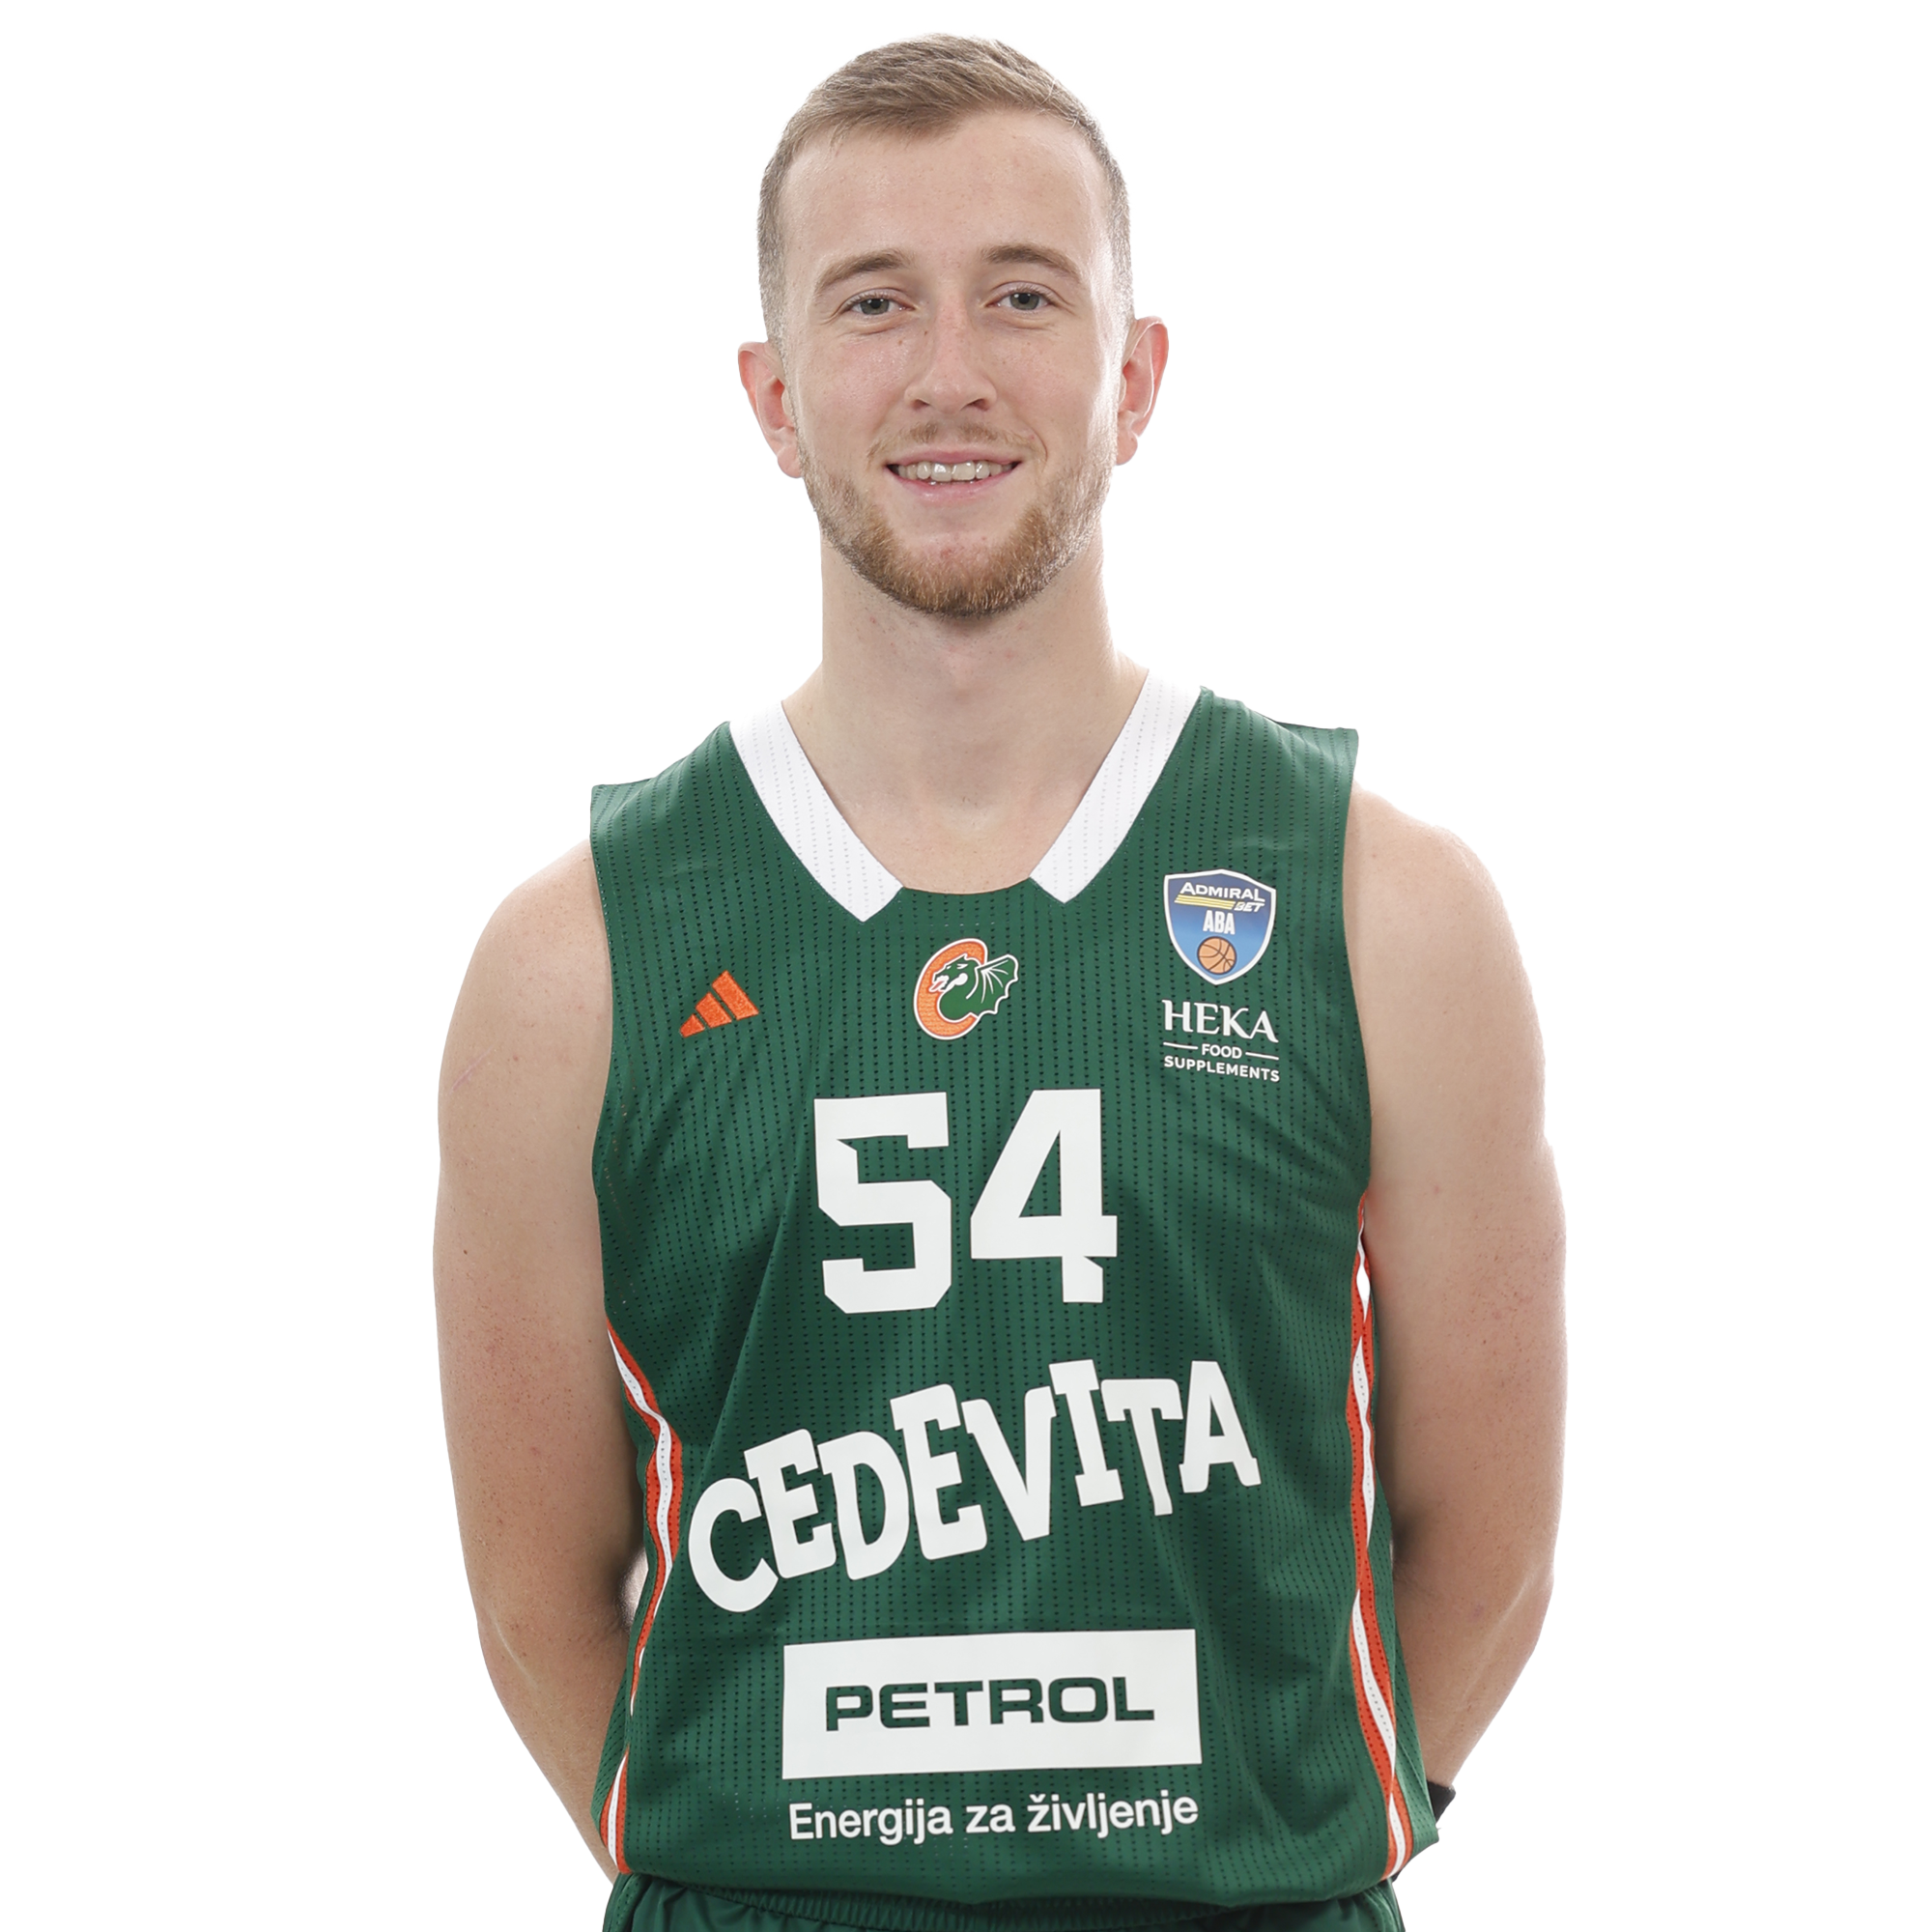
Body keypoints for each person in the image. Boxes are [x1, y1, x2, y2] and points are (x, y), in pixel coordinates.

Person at [434, 34, 1565, 1932]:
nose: (947, 371)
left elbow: (1493, 1549)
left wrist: (1254, 1851)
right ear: (772, 394)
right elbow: (535, 1600)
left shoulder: (1383, 907)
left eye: (1023, 296)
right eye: (872, 302)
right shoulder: (577, 963)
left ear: (1135, 374)